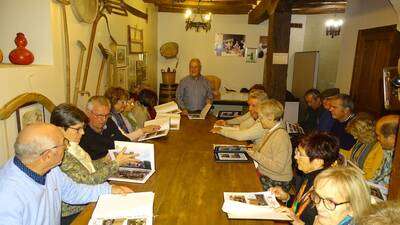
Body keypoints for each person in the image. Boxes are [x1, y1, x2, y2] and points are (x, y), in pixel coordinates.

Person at [0, 123, 132, 225]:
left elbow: (73, 191)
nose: (66, 147)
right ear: (47, 155)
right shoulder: (8, 195)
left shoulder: (51, 169)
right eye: (63, 143)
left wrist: (109, 190)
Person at [50, 103, 138, 224]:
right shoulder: (60, 155)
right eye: (77, 129)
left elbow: (87, 168)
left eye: (83, 128)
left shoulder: (71, 146)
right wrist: (115, 164)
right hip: (76, 212)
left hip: (88, 200)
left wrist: (106, 160)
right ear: (59, 129)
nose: (82, 133)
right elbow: (87, 182)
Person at [270, 132, 340, 225]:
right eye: (296, 151)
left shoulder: (327, 190)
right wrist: (286, 197)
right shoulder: (311, 176)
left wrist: (298, 222)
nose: (295, 157)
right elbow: (302, 205)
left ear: (317, 162)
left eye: (300, 154)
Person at [246, 99, 292, 191]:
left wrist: (255, 155)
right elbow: (267, 149)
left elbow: (278, 167)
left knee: (245, 185)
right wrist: (255, 148)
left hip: (277, 181)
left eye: (261, 117)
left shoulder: (281, 137)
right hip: (268, 175)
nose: (259, 120)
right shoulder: (271, 130)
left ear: (271, 117)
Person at [345, 112, 379, 179]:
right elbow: (349, 156)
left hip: (362, 181)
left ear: (365, 133)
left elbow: (371, 176)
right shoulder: (360, 141)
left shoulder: (378, 147)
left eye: (357, 134)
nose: (355, 137)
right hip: (352, 175)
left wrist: (353, 173)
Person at [370, 114, 399, 186]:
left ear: (393, 138)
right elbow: (378, 177)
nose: (377, 139)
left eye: (379, 135)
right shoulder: (388, 150)